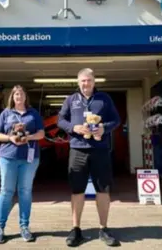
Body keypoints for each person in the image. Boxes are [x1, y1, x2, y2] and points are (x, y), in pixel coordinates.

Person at [57, 68, 121, 247]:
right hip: (78, 149)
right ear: (78, 82)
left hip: (100, 150)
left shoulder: (105, 99)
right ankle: (76, 229)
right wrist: (73, 128)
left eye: (89, 80)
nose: (86, 84)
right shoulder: (71, 100)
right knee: (77, 190)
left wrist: (104, 128)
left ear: (94, 82)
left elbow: (116, 120)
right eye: (83, 81)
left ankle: (104, 228)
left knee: (103, 190)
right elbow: (60, 120)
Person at [0, 85, 44, 244]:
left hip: (29, 159)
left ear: (25, 96)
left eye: (21, 93)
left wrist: (29, 137)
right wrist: (10, 138)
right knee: (6, 191)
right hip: (8, 157)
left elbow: (41, 134)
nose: (19, 96)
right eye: (16, 94)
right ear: (12, 97)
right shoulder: (5, 113)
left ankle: (24, 227)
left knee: (25, 191)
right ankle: (0, 227)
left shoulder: (33, 113)